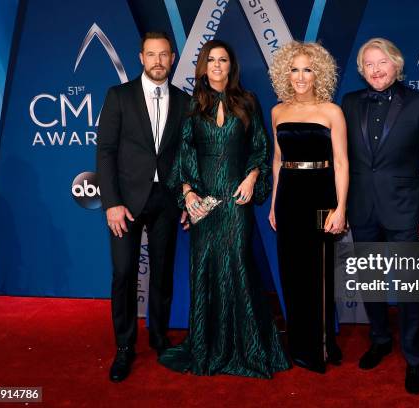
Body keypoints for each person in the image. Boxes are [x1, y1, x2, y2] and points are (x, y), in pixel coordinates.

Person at [158, 39, 290, 379]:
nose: (217, 66)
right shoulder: (192, 105)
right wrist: (187, 193)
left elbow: (260, 146)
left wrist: (251, 178)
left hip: (235, 198)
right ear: (203, 66)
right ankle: (207, 346)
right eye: (211, 60)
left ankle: (249, 347)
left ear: (232, 66)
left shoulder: (248, 101)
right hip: (205, 202)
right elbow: (183, 153)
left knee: (238, 267)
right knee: (204, 269)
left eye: (223, 60)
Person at [341, 38, 419, 394]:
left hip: (405, 211)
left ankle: (414, 359)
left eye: (381, 62)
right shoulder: (351, 103)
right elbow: (344, 162)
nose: (375, 69)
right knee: (369, 283)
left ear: (396, 64)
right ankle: (380, 339)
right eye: (368, 64)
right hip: (362, 208)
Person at [96, 32, 191, 382]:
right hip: (126, 202)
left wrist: (184, 196)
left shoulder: (183, 101)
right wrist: (112, 204)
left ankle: (160, 337)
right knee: (123, 274)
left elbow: (185, 155)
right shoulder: (119, 96)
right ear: (140, 57)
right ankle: (124, 348)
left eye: (164, 55)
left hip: (166, 200)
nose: (158, 61)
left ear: (173, 57)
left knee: (163, 274)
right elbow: (105, 151)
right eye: (151, 54)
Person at [268, 41, 349, 374]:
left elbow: (342, 163)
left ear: (319, 74)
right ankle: (299, 345)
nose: (301, 77)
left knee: (319, 274)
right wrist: (274, 204)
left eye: (308, 69)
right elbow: (277, 160)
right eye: (295, 69)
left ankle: (323, 345)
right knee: (291, 273)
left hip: (320, 197)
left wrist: (341, 208)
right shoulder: (277, 111)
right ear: (285, 73)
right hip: (288, 198)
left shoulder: (332, 111)